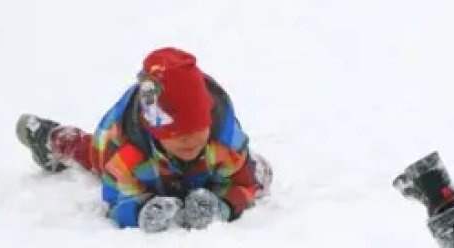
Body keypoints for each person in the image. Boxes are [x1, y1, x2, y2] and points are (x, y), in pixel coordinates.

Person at [14, 47, 272, 232]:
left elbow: (244, 183)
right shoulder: (128, 154)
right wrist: (140, 210)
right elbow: (116, 200)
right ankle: (51, 139)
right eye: (177, 134)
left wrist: (224, 205)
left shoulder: (224, 144)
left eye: (197, 129)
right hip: (128, 153)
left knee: (255, 172)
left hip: (202, 168)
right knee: (92, 154)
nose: (189, 140)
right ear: (155, 131)